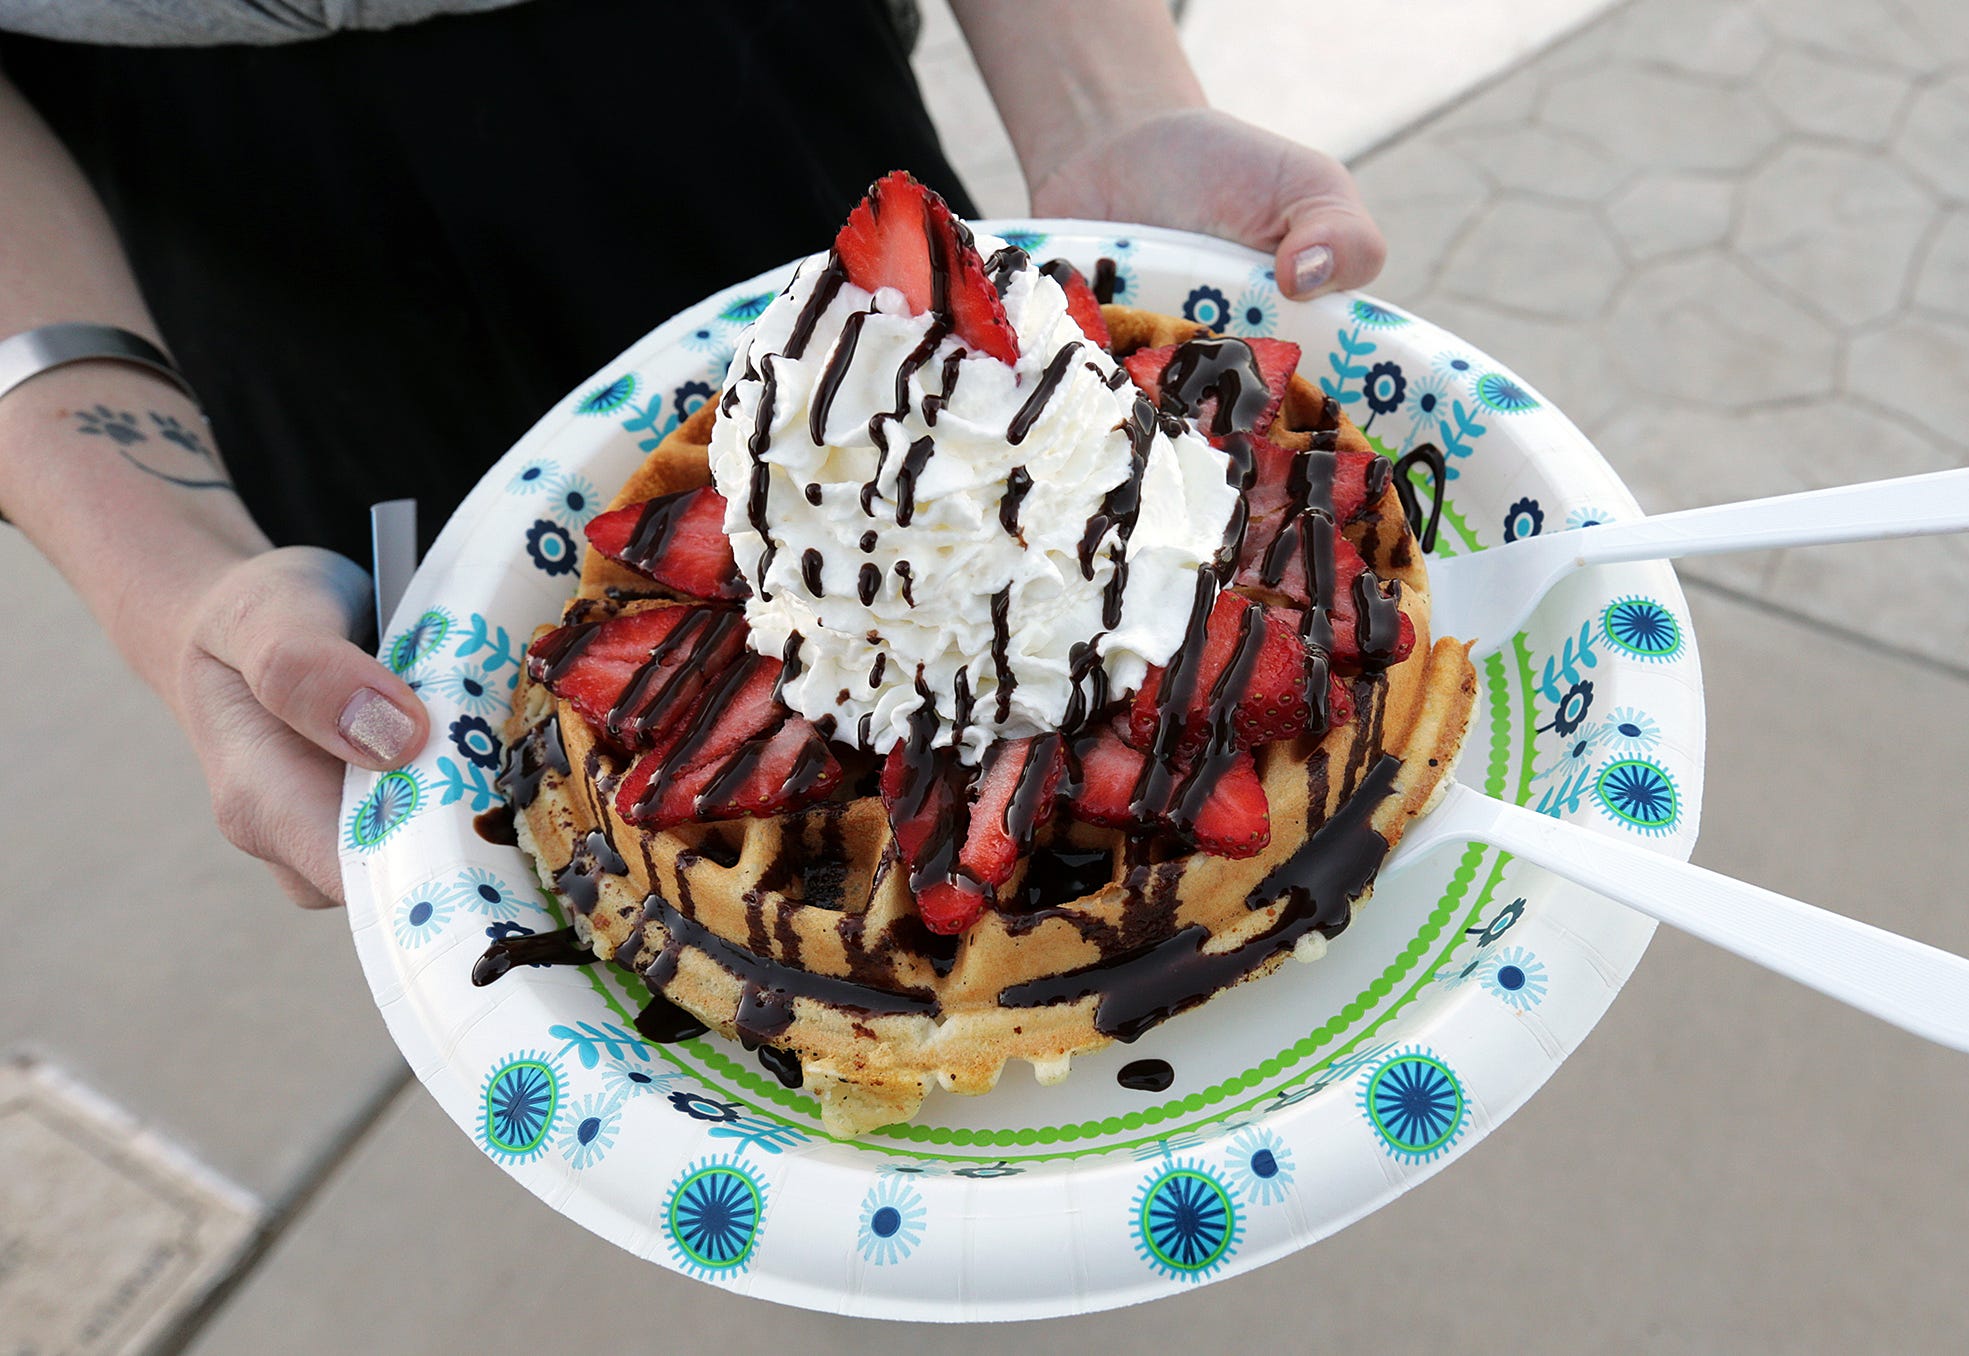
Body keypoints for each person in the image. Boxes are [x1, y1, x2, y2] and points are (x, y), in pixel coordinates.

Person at [0, 0, 1386, 909]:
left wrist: (1105, 111)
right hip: (220, 243)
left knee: (982, 486)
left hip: (762, 92)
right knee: (494, 801)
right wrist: (174, 579)